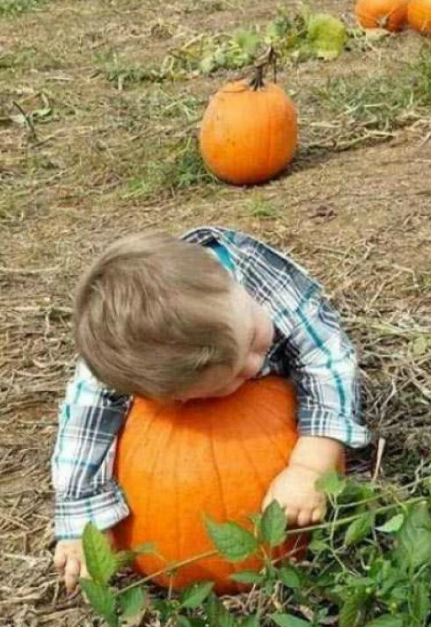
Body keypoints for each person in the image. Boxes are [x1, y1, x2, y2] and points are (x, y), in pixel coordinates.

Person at [52, 226, 369, 592]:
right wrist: (83, 526)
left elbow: (326, 360)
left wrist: (311, 465)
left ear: (236, 290)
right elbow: (83, 424)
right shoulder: (118, 362)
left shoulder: (264, 286)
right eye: (226, 383)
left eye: (252, 339)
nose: (252, 368)